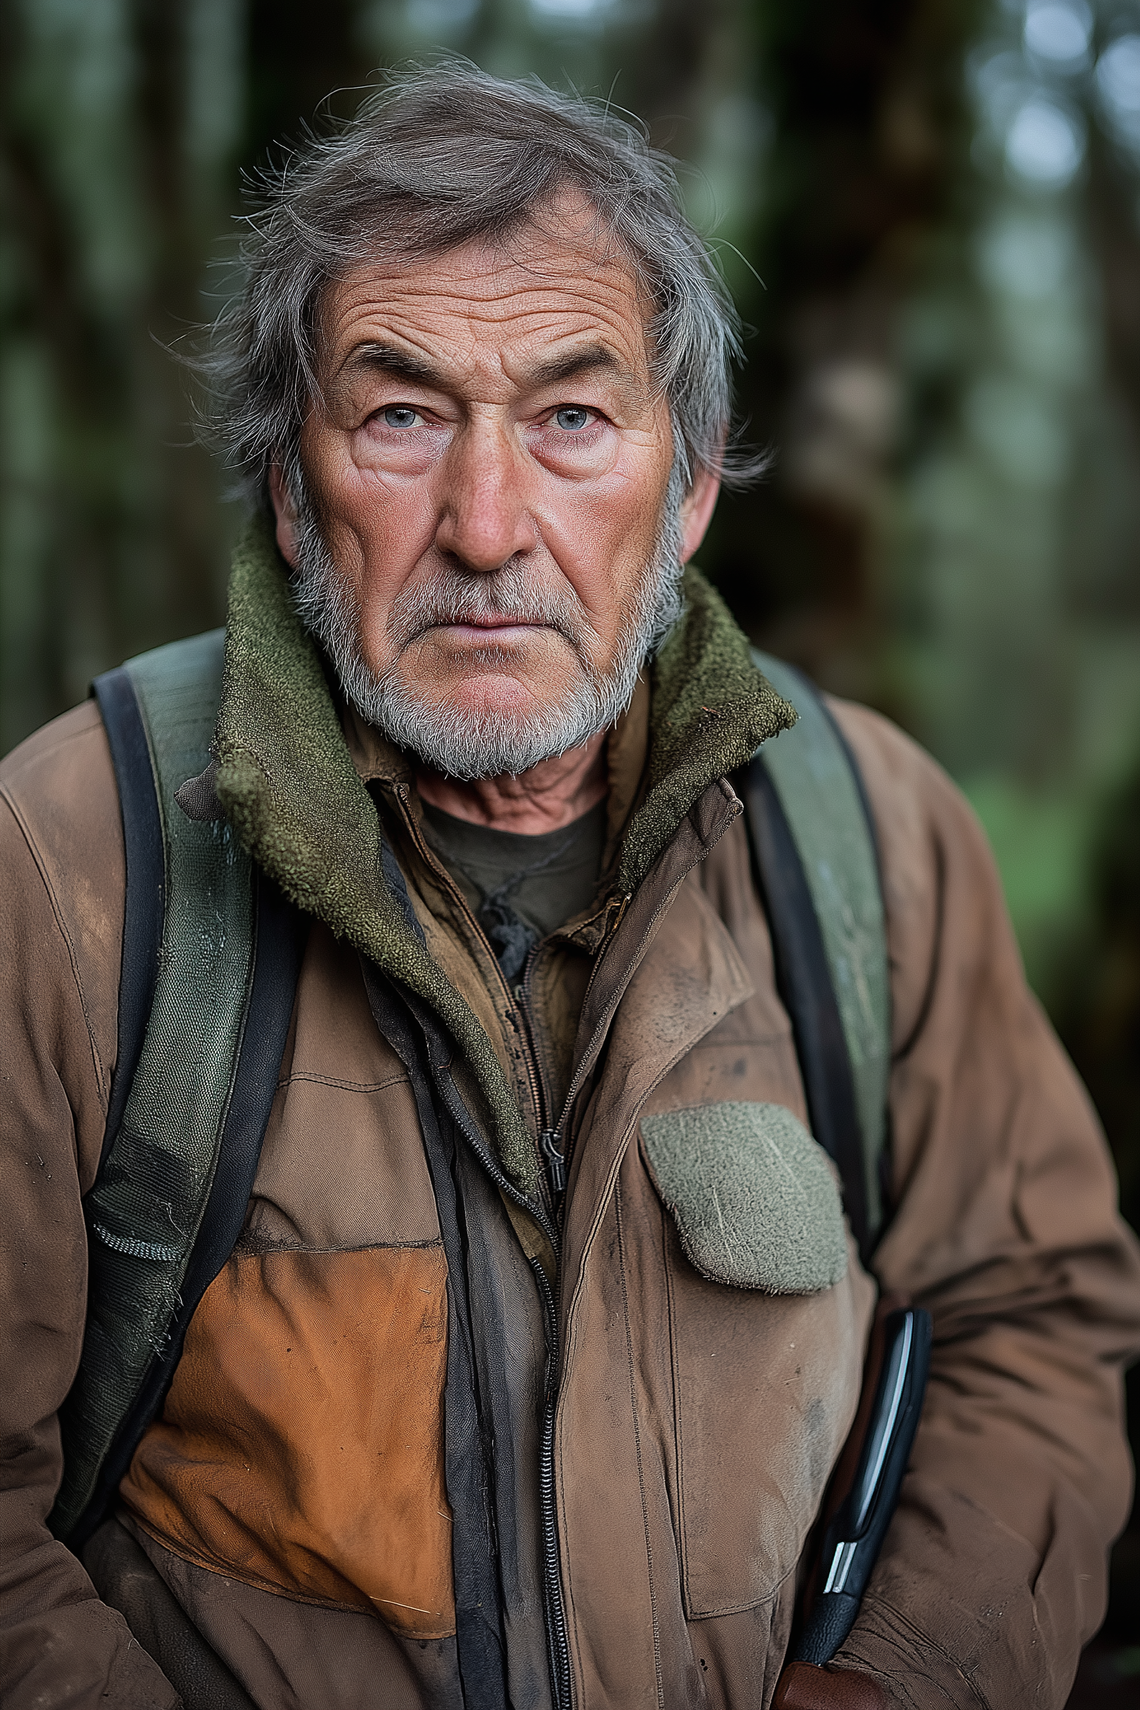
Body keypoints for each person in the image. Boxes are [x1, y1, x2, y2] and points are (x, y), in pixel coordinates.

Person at [2, 64, 1138, 1710]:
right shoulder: (67, 861)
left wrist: (904, 1678)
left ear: (686, 490)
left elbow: (1030, 1311)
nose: (485, 523)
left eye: (572, 419)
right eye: (399, 414)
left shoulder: (871, 835)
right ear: (288, 491)